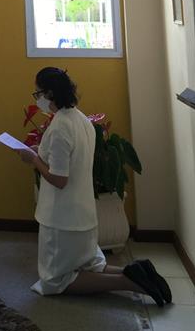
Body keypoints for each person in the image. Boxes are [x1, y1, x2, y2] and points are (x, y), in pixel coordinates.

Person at [13, 67, 172, 306]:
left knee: (56, 279)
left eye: (38, 94)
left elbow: (59, 179)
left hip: (62, 218)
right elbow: (71, 160)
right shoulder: (79, 119)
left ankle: (131, 283)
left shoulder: (60, 127)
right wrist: (40, 152)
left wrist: (33, 159)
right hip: (83, 214)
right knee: (89, 264)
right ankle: (137, 272)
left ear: (50, 93)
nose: (38, 99)